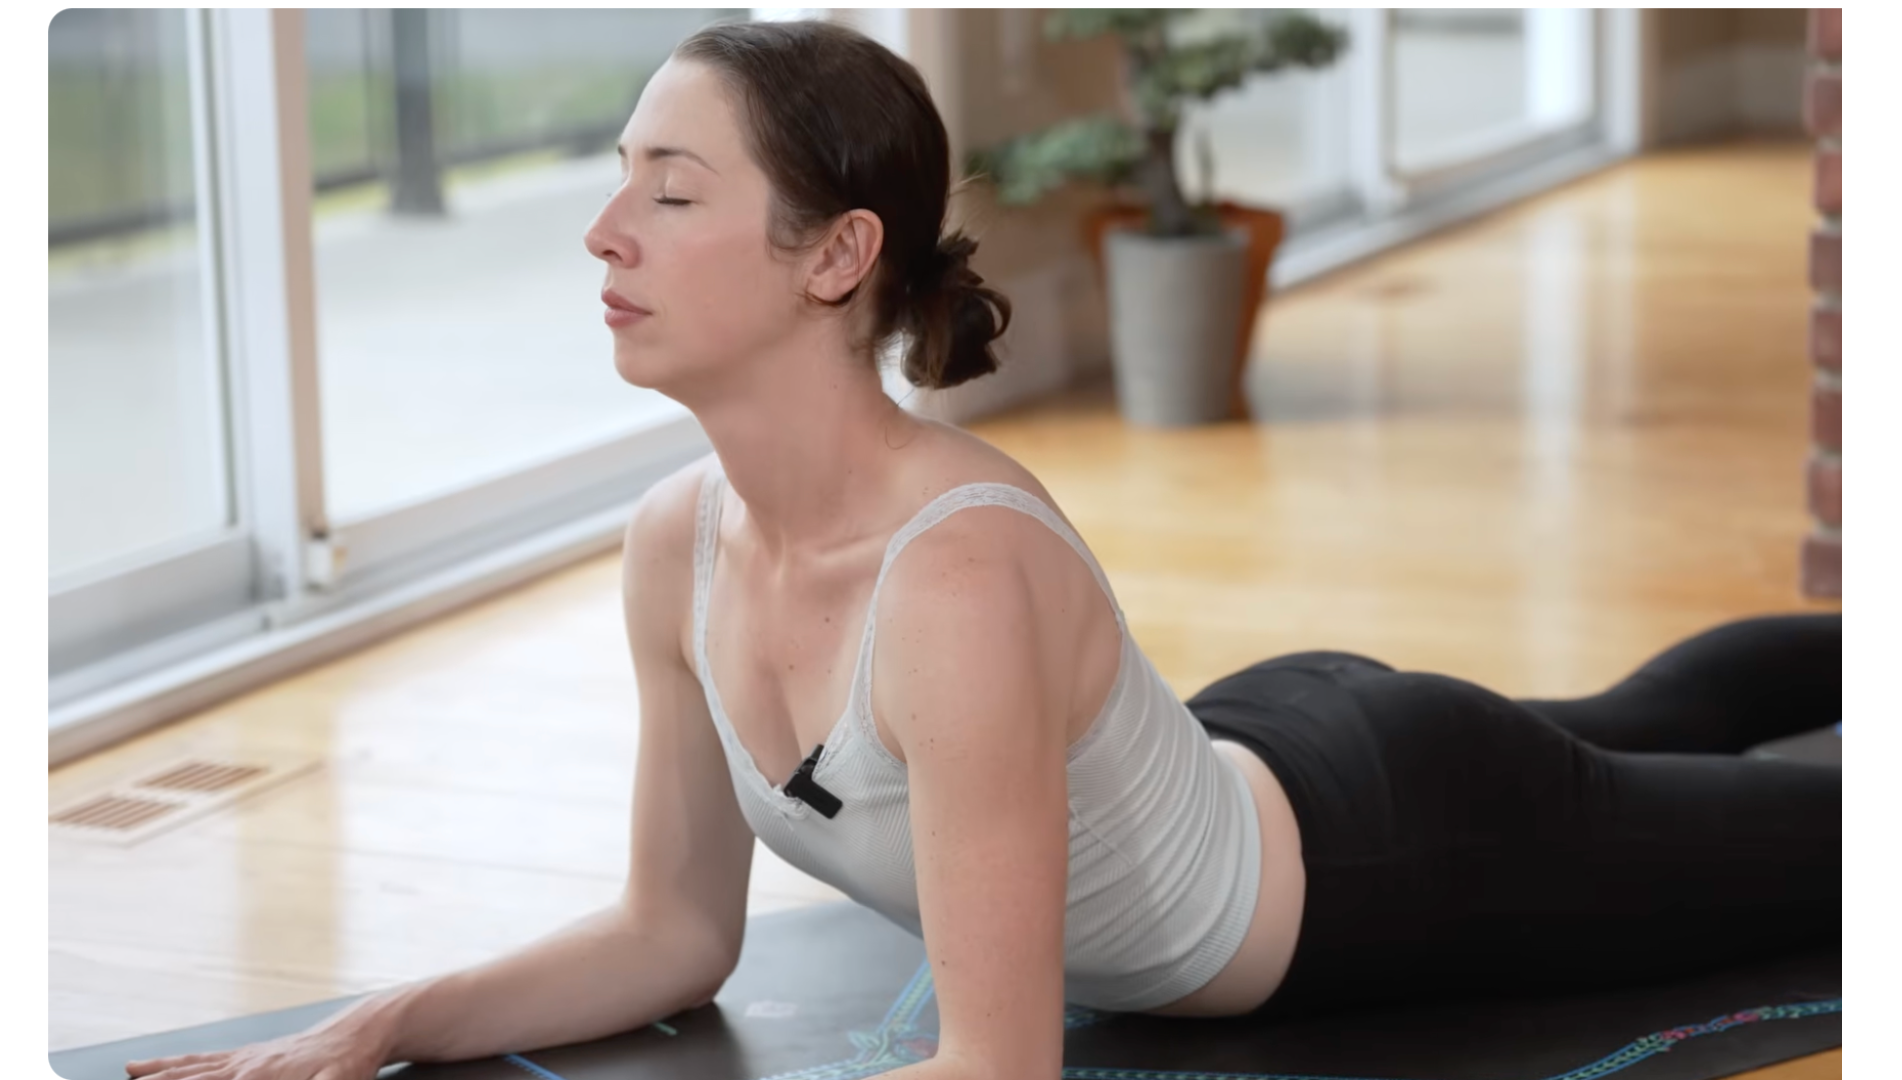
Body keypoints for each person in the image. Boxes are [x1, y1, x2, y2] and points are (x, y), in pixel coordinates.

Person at [125, 18, 1842, 1080]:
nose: (602, 229)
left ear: (833, 254)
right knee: (1629, 712)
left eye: (670, 189)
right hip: (1276, 740)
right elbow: (670, 933)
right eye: (617, 177)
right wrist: (379, 1026)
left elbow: (996, 1067)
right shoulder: (677, 544)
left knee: (1834, 842)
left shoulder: (948, 580)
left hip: (1399, 852)